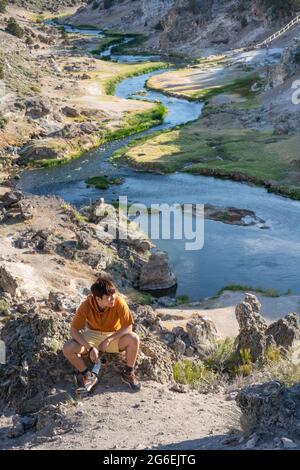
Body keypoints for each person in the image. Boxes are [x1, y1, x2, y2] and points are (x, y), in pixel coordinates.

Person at [63, 276, 141, 392]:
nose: (112, 298)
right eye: (108, 297)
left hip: (114, 336)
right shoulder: (86, 305)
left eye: (113, 294)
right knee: (68, 348)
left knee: (134, 338)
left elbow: (128, 327)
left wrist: (108, 340)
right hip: (92, 335)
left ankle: (128, 373)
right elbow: (73, 331)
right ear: (98, 299)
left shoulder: (119, 302)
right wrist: (90, 349)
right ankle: (88, 376)